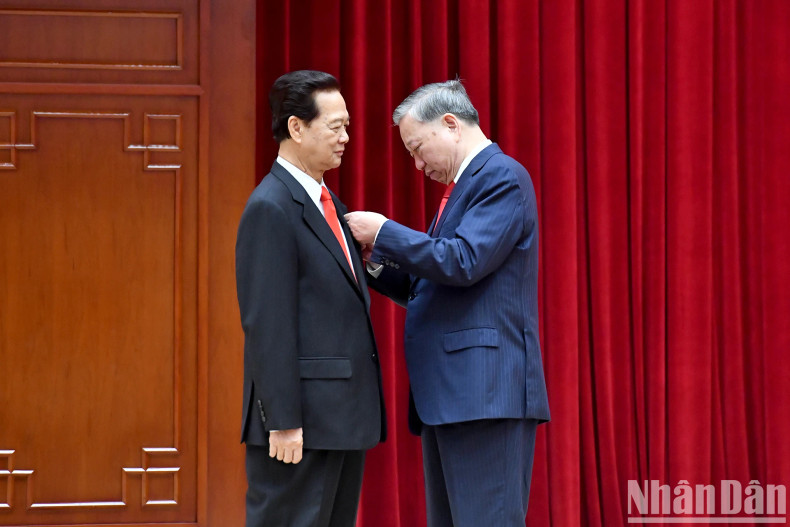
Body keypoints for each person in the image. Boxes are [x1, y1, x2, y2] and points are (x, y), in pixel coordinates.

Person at [345, 79, 550, 527]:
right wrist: (374, 262)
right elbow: (431, 282)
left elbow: (463, 260)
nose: (418, 164)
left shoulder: (501, 176)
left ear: (451, 124)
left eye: (418, 148)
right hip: (457, 395)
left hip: (486, 395)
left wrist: (384, 231)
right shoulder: (466, 186)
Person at [235, 70, 385, 527]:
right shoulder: (271, 207)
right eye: (335, 126)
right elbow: (267, 324)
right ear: (296, 128)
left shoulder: (327, 201)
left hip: (339, 419)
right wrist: (282, 420)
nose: (346, 138)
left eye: (347, 126)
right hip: (301, 425)